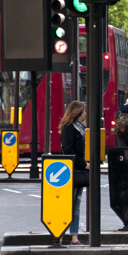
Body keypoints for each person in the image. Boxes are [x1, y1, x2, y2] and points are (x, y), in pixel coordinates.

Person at [58, 100, 88, 246]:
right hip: (71, 171)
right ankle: (61, 236)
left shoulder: (81, 128)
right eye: (84, 110)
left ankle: (74, 237)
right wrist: (85, 164)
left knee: (75, 206)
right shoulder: (69, 128)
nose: (86, 113)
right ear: (78, 112)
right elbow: (69, 150)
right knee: (67, 205)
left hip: (79, 170)